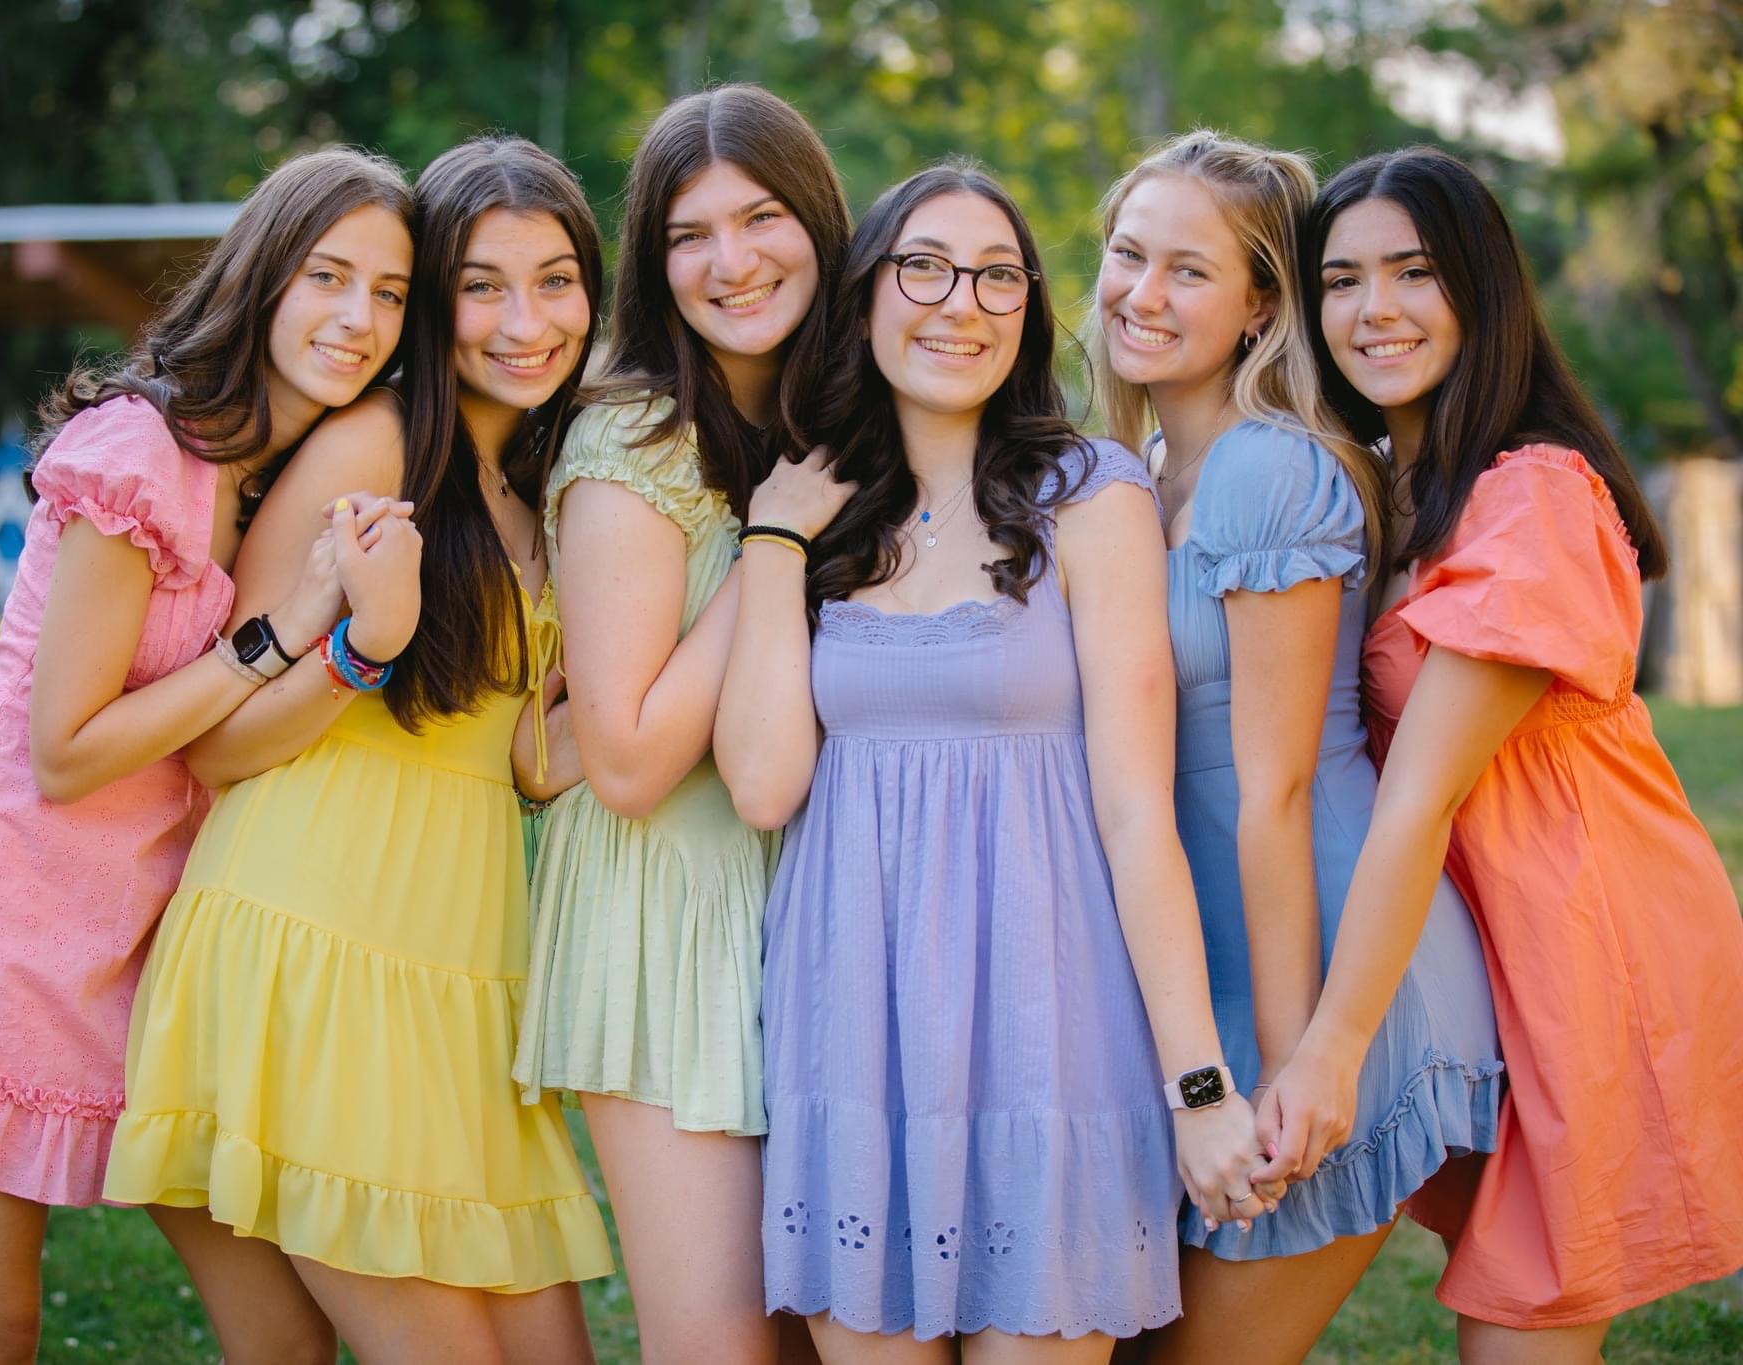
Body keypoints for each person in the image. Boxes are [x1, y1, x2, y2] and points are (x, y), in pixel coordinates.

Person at [0, 145, 414, 1365]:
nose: (355, 318)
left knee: (283, 1332)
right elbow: (65, 753)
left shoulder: (289, 475)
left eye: (389, 293)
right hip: (5, 907)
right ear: (262, 277)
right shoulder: (142, 451)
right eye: (326, 275)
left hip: (147, 935)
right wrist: (286, 628)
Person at [718, 159, 1273, 1360]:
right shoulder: (816, 512)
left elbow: (1136, 812)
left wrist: (1199, 1087)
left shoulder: (1088, 495)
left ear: (1027, 308)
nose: (957, 303)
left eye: (994, 276)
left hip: (1046, 1038)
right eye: (922, 267)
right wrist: (770, 545)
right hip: (854, 1039)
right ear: (865, 298)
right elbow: (763, 784)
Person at [102, 137, 614, 1364]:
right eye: (480, 285)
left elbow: (516, 762)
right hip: (316, 944)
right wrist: (360, 649)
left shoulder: (536, 475)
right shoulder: (375, 447)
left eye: (555, 281)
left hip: (456, 980)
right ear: (431, 298)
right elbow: (217, 742)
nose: (524, 321)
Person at [1279, 144, 1743, 1362]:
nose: (1371, 310)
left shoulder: (1531, 491)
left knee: (1520, 1316)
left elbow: (1421, 796)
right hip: (1475, 939)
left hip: (1583, 944)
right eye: (1339, 280)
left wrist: (1329, 1048)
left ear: (1482, 291)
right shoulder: (1392, 483)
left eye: (1413, 272)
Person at [1082, 131, 1501, 1363]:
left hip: (1317, 974)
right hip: (1213, 972)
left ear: (1263, 303)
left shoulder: (1268, 472)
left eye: (1189, 271)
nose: (1141, 295)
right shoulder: (1145, 469)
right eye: (1125, 254)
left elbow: (1269, 791)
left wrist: (1284, 1061)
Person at [511, 84, 851, 1361]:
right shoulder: (629, 442)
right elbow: (627, 758)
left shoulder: (835, 420)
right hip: (668, 919)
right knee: (721, 1343)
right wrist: (774, 536)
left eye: (761, 218)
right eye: (689, 235)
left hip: (810, 904)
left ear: (818, 223)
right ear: (653, 264)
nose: (733, 261)